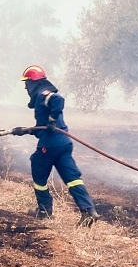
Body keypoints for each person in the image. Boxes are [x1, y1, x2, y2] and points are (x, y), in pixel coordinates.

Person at [11, 65, 102, 227]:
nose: (25, 87)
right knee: (72, 178)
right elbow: (42, 127)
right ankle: (88, 210)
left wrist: (52, 120)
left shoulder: (42, 94)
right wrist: (23, 131)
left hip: (50, 145)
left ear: (33, 82)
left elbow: (58, 100)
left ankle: (44, 210)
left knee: (38, 169)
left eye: (27, 83)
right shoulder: (41, 96)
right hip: (64, 144)